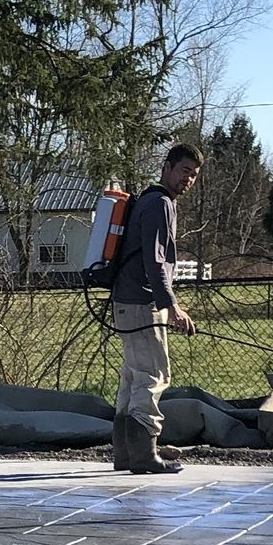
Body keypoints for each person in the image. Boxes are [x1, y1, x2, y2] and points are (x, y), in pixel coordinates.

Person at [107, 143, 202, 475]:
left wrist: (169, 302)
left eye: (193, 174)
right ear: (166, 167)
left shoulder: (146, 200)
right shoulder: (161, 203)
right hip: (141, 304)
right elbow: (157, 262)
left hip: (127, 301)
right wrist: (170, 306)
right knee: (154, 375)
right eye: (184, 170)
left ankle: (125, 455)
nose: (188, 179)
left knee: (133, 375)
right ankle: (144, 457)